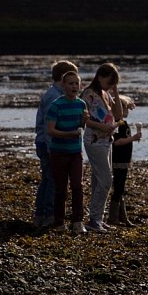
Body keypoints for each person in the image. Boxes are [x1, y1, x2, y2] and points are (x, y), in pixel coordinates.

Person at [32, 60, 78, 228]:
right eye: (71, 79)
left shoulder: (52, 93)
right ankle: (48, 214)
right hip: (48, 143)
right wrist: (53, 148)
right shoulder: (55, 96)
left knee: (47, 179)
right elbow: (48, 124)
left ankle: (40, 214)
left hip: (44, 141)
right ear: (62, 78)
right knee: (53, 180)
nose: (75, 83)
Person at [81, 62, 124, 233]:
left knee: (98, 181)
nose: (110, 84)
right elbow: (82, 119)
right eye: (109, 81)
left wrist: (115, 91)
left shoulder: (106, 94)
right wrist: (101, 127)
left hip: (107, 141)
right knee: (106, 180)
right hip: (94, 140)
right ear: (99, 77)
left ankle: (96, 217)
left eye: (113, 82)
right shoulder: (88, 94)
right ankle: (94, 219)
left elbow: (119, 115)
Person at [45, 70, 89, 233]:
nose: (74, 86)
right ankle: (59, 223)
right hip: (58, 152)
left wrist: (84, 122)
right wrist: (68, 134)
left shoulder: (81, 104)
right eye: (70, 83)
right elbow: (50, 130)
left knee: (78, 185)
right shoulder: (56, 105)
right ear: (63, 86)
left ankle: (78, 222)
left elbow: (81, 128)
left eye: (76, 83)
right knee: (61, 188)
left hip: (76, 152)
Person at [107, 95, 143, 226]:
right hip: (118, 160)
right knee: (118, 188)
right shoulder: (118, 124)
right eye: (125, 108)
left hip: (124, 159)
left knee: (120, 188)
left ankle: (122, 217)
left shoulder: (122, 123)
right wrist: (132, 138)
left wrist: (133, 138)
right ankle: (113, 217)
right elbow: (117, 142)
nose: (127, 110)